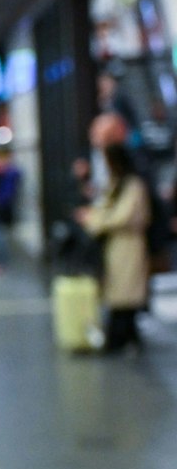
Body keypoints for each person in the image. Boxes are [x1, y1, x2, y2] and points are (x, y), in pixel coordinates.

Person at [79, 143, 152, 354]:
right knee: (119, 293)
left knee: (126, 293)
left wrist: (95, 221)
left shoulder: (133, 185)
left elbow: (122, 216)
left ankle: (121, 338)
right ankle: (124, 337)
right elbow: (105, 209)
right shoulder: (117, 184)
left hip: (129, 245)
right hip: (116, 245)